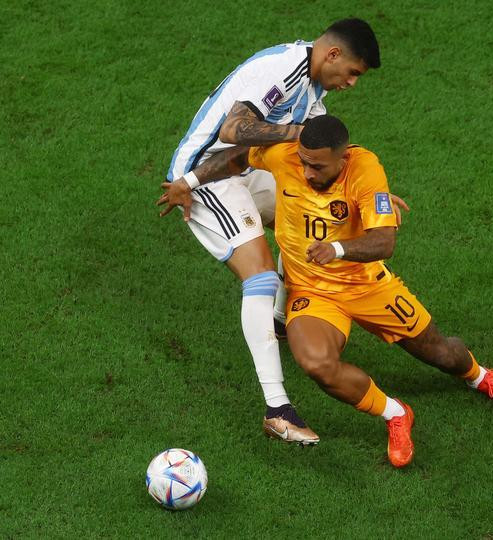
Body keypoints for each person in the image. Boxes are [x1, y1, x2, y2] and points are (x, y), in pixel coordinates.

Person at [160, 115, 493, 468]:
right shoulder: (287, 153)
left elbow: (384, 242)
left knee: (443, 354)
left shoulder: (365, 170)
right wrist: (188, 182)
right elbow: (238, 155)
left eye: (318, 167)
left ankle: (478, 375)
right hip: (311, 291)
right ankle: (396, 414)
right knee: (317, 364)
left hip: (366, 286)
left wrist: (336, 249)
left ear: (343, 155)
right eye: (304, 163)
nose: (307, 172)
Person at [157, 19, 382, 446]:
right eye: (353, 72)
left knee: (306, 210)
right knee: (259, 275)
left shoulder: (315, 92)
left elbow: (322, 155)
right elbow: (233, 131)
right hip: (205, 177)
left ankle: (280, 320)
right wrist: (300, 133)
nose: (352, 82)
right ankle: (277, 409)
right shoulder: (285, 69)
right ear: (332, 54)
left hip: (246, 167)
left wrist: (374, 191)